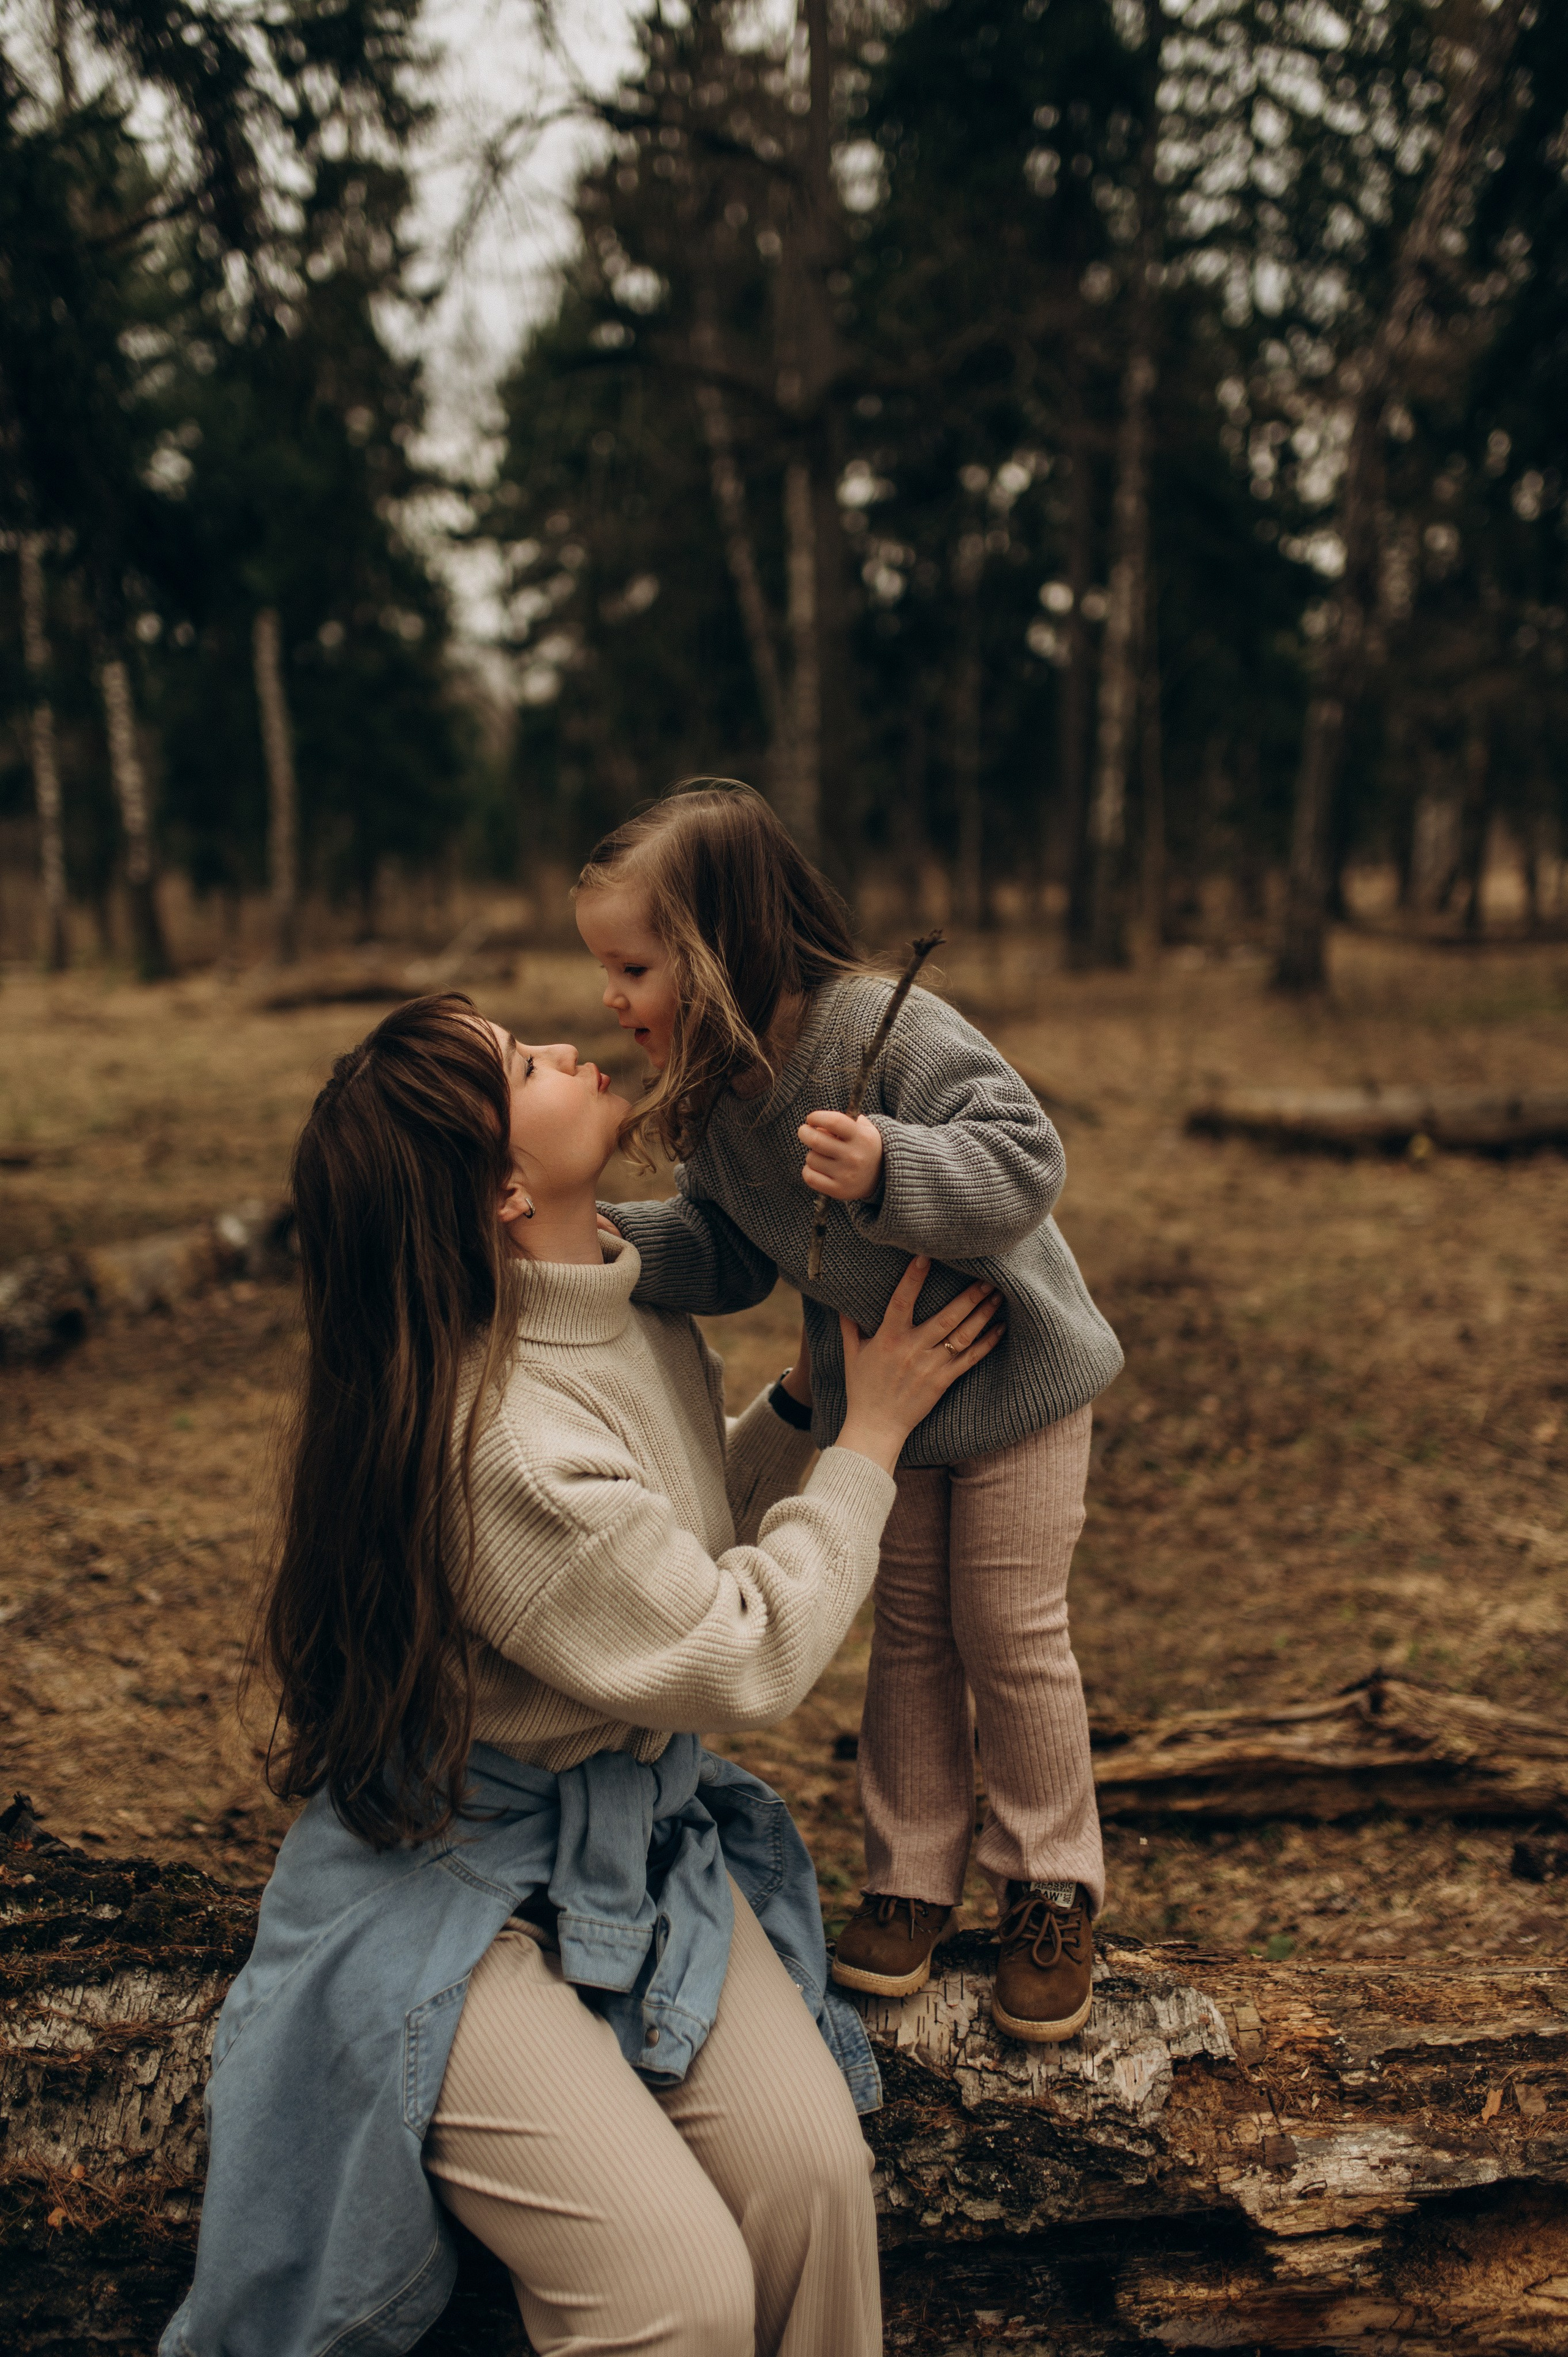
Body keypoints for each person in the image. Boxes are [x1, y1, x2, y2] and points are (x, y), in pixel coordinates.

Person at [160, 990, 1003, 2357]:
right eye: (521, 1064)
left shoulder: (615, 1297)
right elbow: (737, 1651)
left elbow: (657, 1564)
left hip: (630, 1844)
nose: (563, 1046)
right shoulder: (494, 1439)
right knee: (677, 2293)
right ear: (503, 1188)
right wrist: (872, 1443)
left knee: (812, 2184)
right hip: (454, 1884)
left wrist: (806, 1409)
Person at [576, 782, 1124, 2043]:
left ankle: (1048, 1884)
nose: (611, 996)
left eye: (633, 967)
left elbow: (1025, 1159)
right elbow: (731, 1252)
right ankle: (909, 1880)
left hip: (1015, 1379)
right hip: (890, 1404)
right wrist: (616, 1246)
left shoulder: (882, 1031)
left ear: (719, 946)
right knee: (914, 1635)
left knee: (1008, 1629)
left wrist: (891, 1167)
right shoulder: (718, 1102)